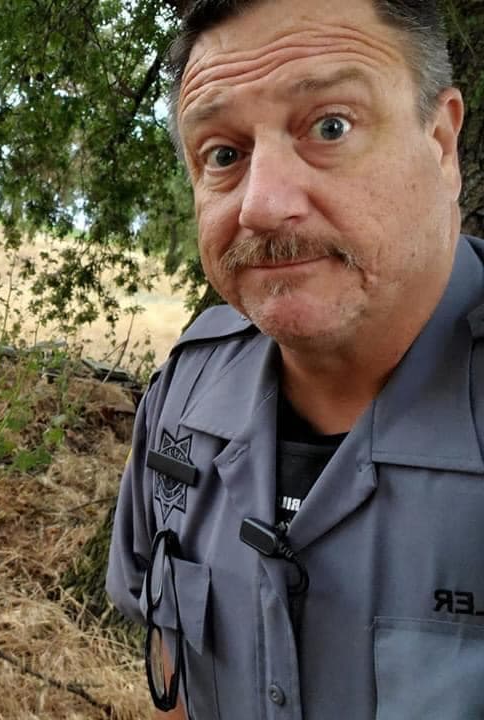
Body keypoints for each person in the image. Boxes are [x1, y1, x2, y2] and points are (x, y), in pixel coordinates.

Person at [106, 0, 484, 718]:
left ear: (439, 141)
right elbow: (171, 673)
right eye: (223, 153)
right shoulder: (184, 398)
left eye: (330, 127)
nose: (262, 204)